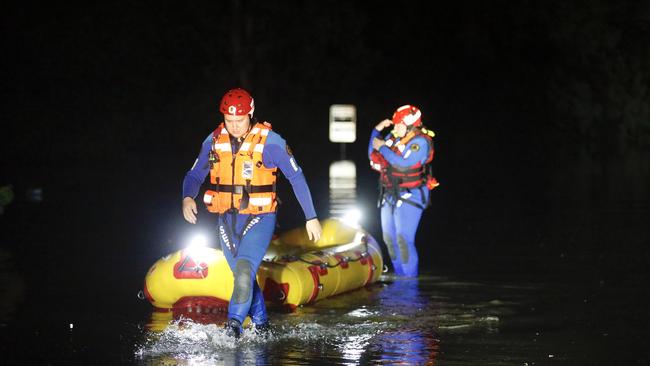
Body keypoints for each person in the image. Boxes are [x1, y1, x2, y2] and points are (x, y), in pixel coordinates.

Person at [181, 87, 322, 337]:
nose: (234, 126)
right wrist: (187, 197)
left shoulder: (271, 142)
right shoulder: (213, 140)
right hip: (226, 220)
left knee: (245, 271)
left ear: (252, 112)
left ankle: (233, 326)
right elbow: (195, 174)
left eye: (240, 120)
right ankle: (261, 325)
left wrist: (311, 217)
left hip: (260, 217)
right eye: (229, 120)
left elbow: (296, 177)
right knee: (242, 275)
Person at [368, 105, 438, 277]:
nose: (395, 127)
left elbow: (403, 164)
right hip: (390, 192)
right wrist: (376, 131)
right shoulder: (393, 137)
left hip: (411, 193)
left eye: (399, 124)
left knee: (403, 239)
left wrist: (382, 147)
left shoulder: (420, 142)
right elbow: (373, 155)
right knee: (389, 239)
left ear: (411, 124)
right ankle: (400, 279)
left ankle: (410, 284)